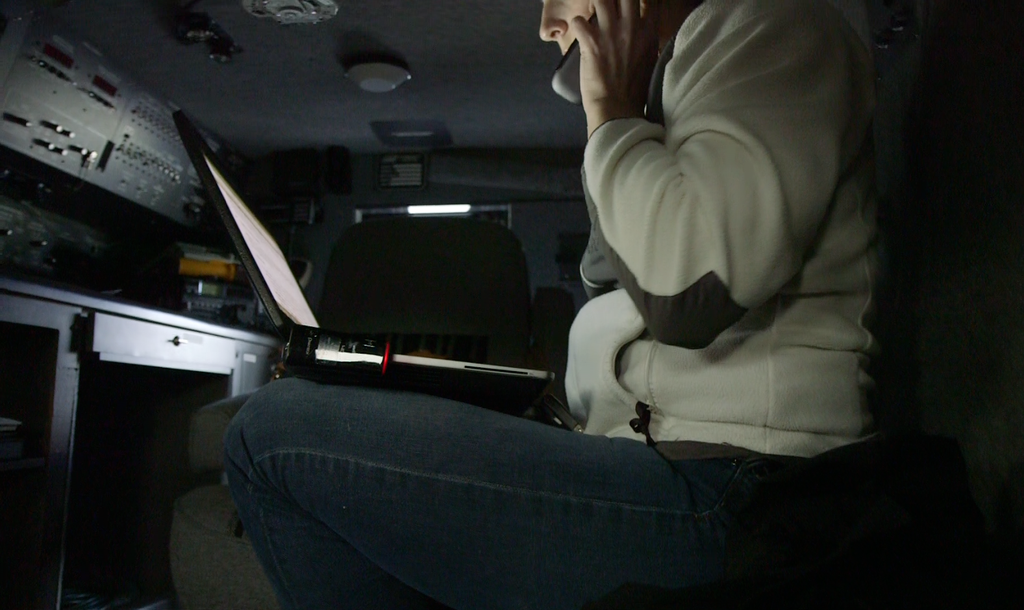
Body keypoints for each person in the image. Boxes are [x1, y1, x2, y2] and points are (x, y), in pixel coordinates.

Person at [224, 0, 878, 608]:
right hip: (669, 462)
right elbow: (612, 277)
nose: (546, 25)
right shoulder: (683, 83)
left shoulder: (772, 25)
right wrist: (627, 113)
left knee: (271, 437)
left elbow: (684, 294)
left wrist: (613, 113)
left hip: (745, 500)